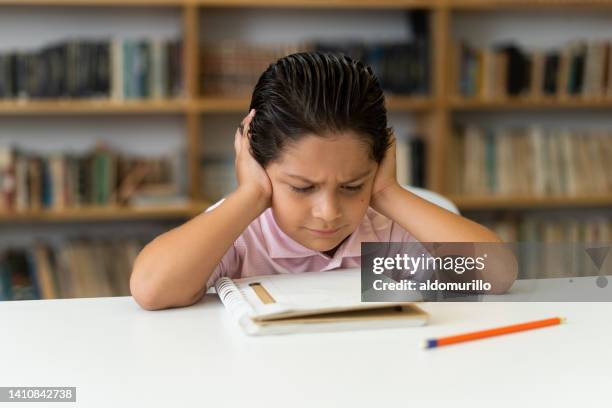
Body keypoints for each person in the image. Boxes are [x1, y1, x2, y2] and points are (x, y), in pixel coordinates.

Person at [130, 52, 517, 311]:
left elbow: (498, 275)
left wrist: (387, 193)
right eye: (301, 187)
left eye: (352, 186)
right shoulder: (239, 226)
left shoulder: (386, 225)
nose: (329, 212)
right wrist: (250, 194)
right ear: (256, 163)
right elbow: (151, 290)